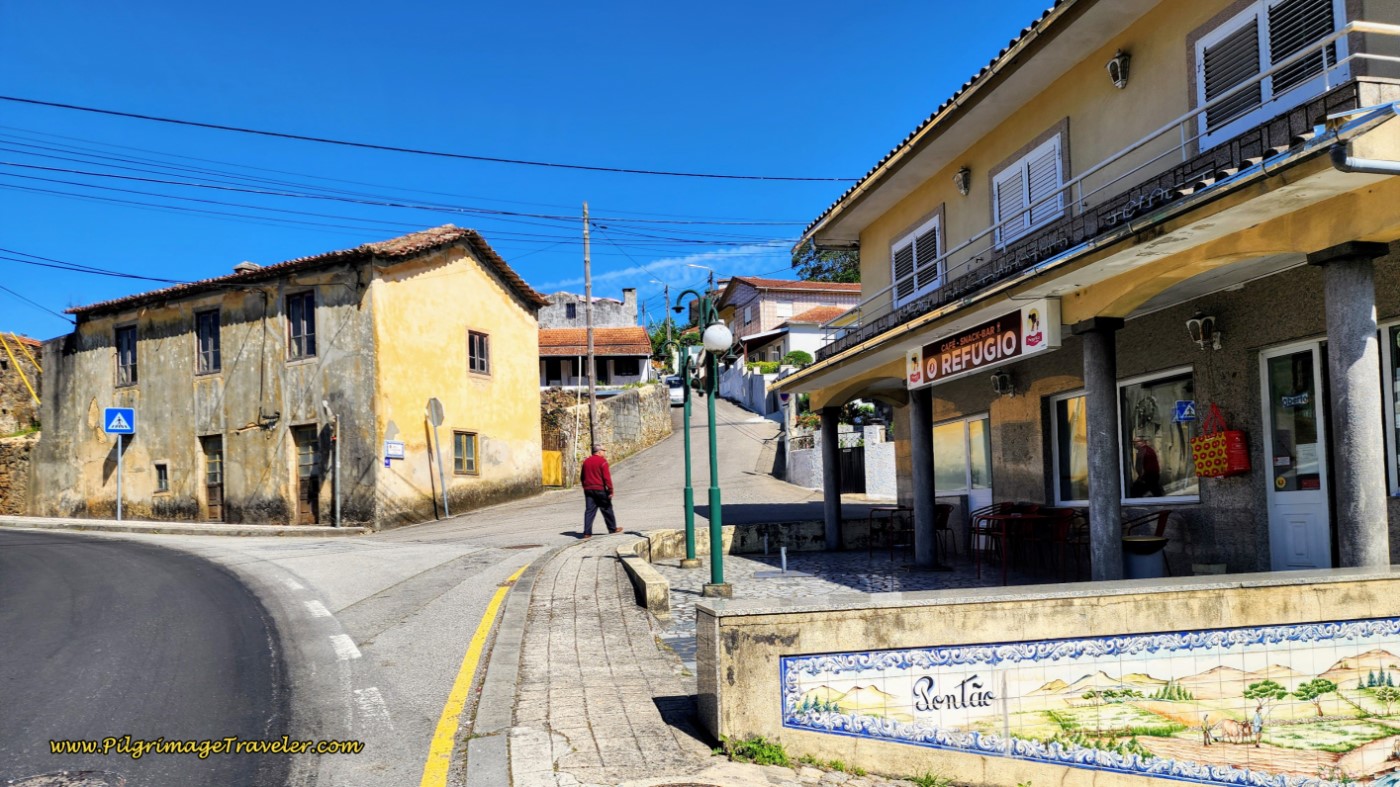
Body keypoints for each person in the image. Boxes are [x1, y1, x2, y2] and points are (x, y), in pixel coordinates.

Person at [580, 444, 620, 539]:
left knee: (589, 511)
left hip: (588, 490)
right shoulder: (602, 462)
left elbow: (582, 477)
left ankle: (587, 532)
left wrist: (585, 486)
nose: (604, 452)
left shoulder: (586, 462)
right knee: (606, 508)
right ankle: (612, 528)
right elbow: (607, 478)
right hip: (600, 489)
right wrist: (610, 490)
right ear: (599, 451)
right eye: (603, 450)